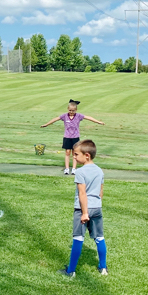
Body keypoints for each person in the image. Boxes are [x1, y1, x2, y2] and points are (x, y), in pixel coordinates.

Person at [58, 139, 107, 278]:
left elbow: (82, 193)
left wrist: (85, 213)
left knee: (78, 238)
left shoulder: (81, 172)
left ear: (87, 155)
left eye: (76, 154)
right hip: (97, 208)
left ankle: (71, 271)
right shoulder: (99, 171)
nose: (74, 157)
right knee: (99, 237)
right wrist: (97, 205)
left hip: (83, 209)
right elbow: (100, 191)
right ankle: (103, 268)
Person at [41, 99, 105, 175]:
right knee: (67, 152)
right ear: (68, 109)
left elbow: (88, 117)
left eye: (73, 111)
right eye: (70, 110)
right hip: (67, 137)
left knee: (75, 153)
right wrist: (46, 124)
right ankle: (67, 168)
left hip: (75, 137)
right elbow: (55, 119)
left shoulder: (78, 116)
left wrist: (98, 122)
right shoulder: (64, 116)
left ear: (76, 110)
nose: (71, 112)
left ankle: (74, 169)